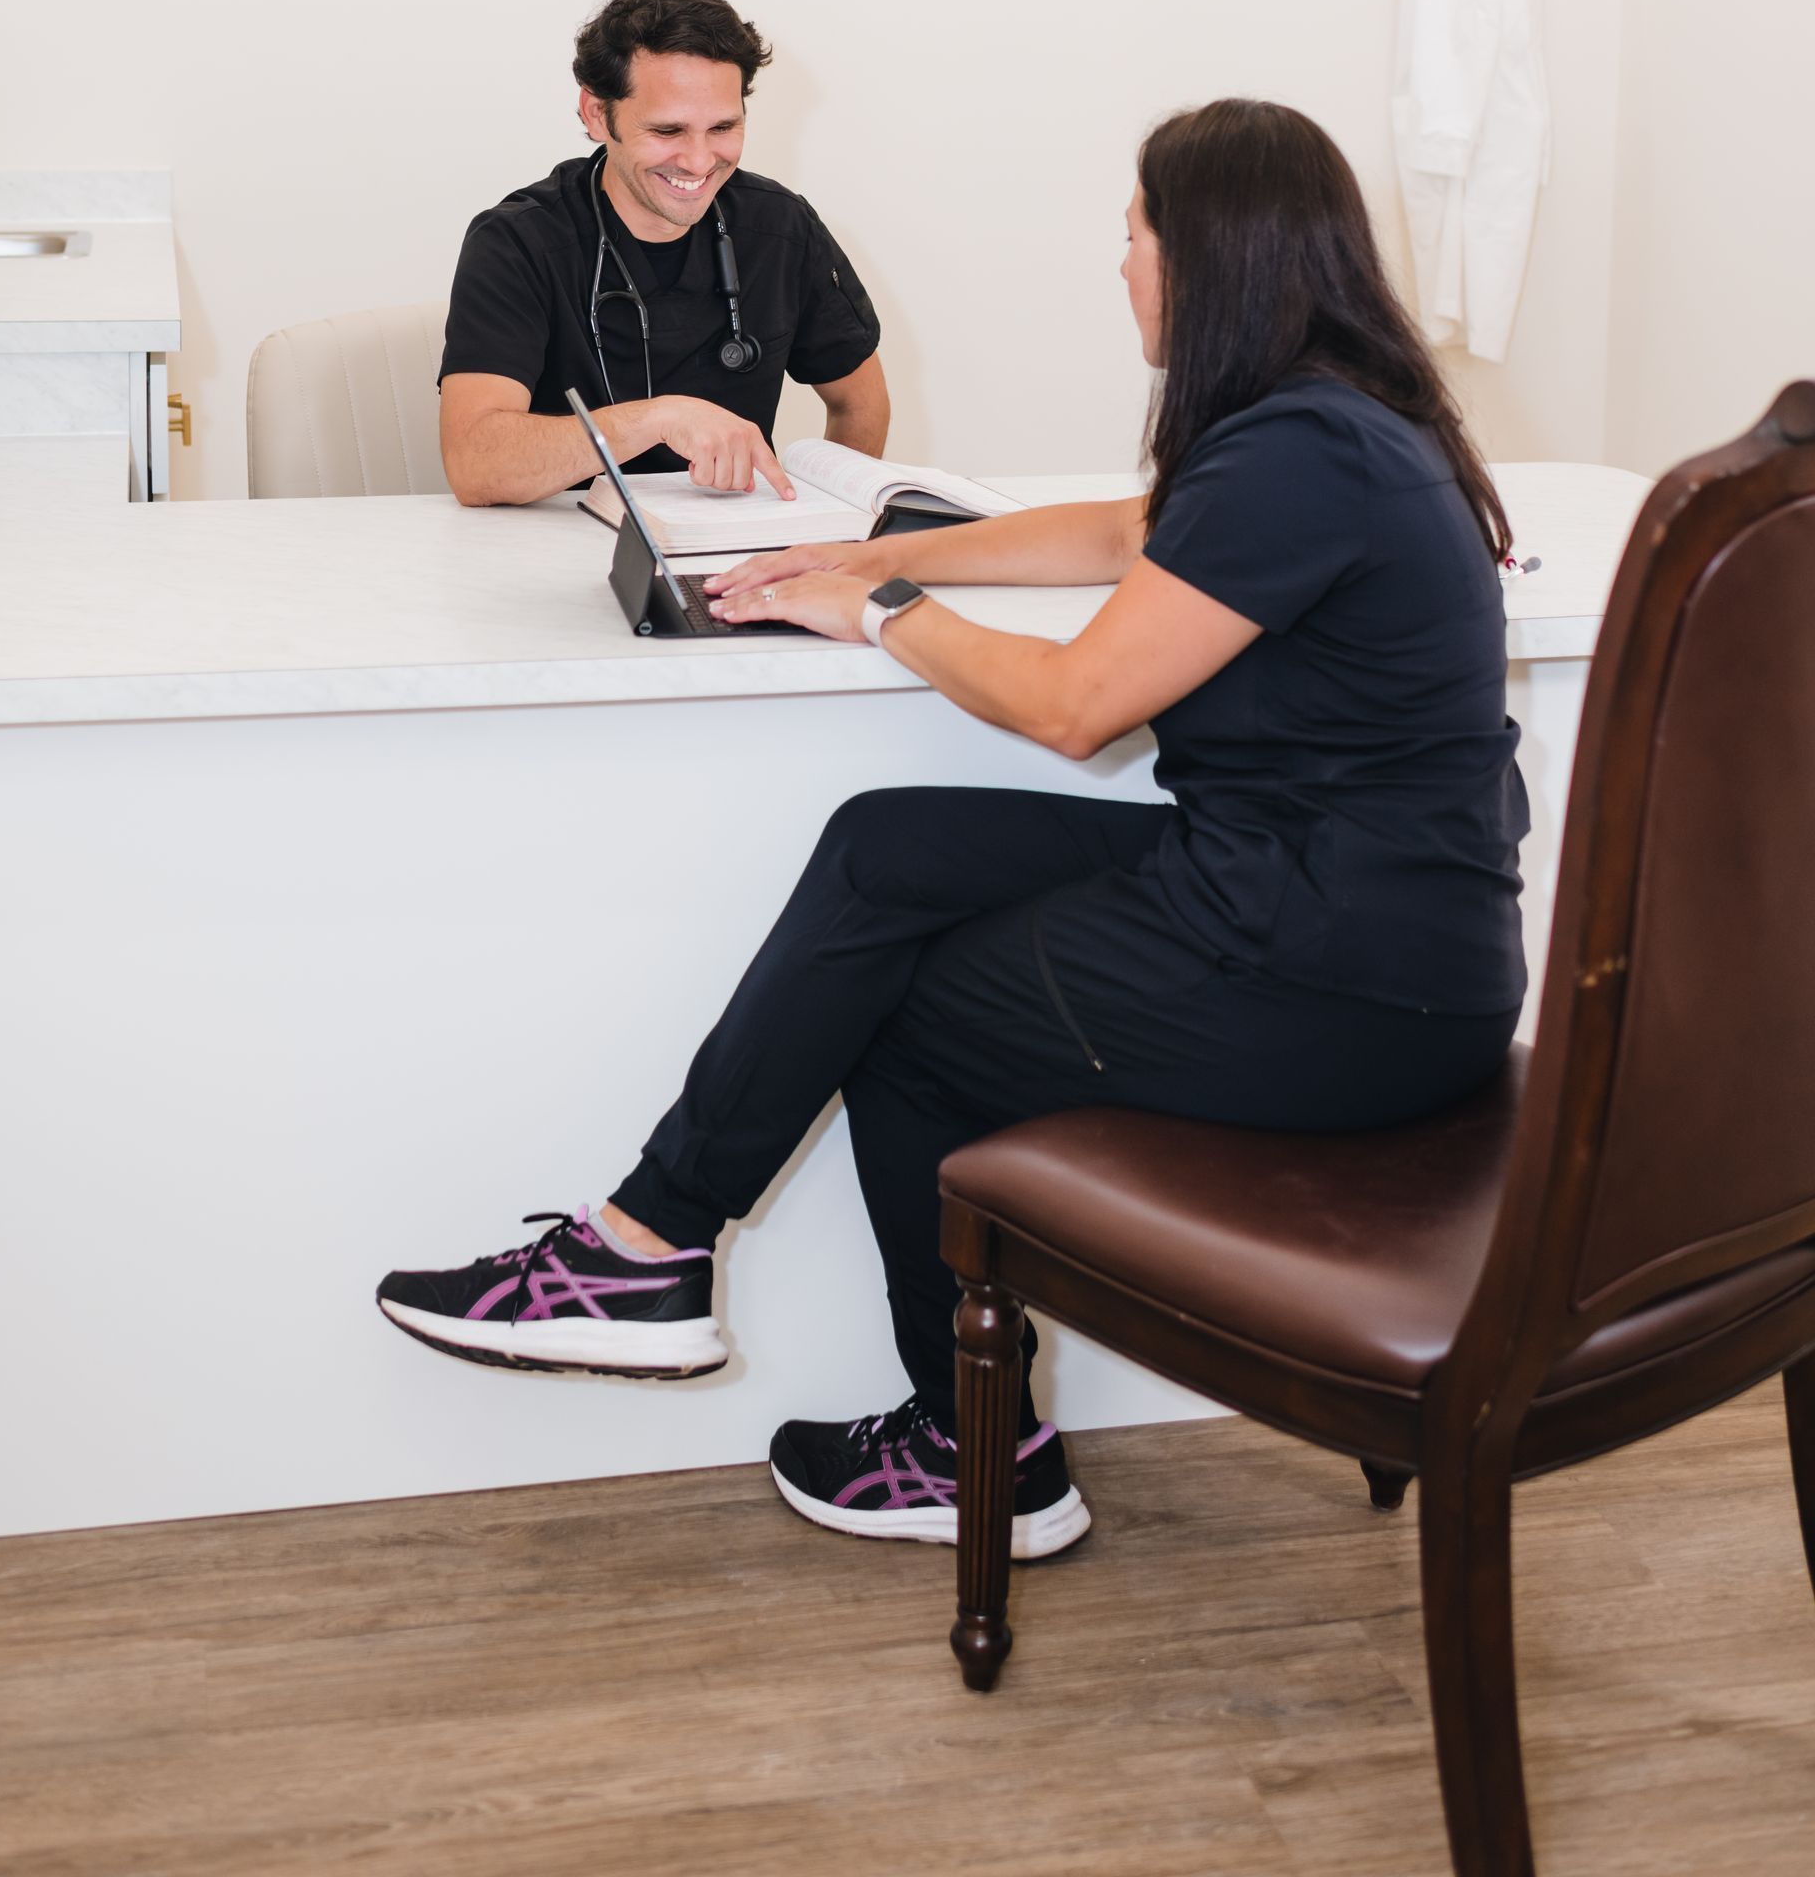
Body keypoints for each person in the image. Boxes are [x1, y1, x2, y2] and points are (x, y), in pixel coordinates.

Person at [381, 99, 1528, 1560]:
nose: (1120, 264)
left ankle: (966, 1439)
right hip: (1346, 923)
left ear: (1210, 258)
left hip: (1335, 979)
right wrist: (882, 547)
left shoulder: (1304, 450)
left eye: (1134, 235)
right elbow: (1127, 532)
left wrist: (881, 613)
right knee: (890, 849)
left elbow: (1074, 710)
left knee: (910, 1009)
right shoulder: (1331, 419)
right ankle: (651, 1254)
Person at [439, 0, 889, 504]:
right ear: (596, 114)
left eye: (722, 128)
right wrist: (656, 419)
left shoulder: (780, 228)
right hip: (555, 546)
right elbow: (474, 464)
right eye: (668, 132)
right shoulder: (518, 242)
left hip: (732, 554)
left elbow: (861, 404)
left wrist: (824, 529)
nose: (699, 162)